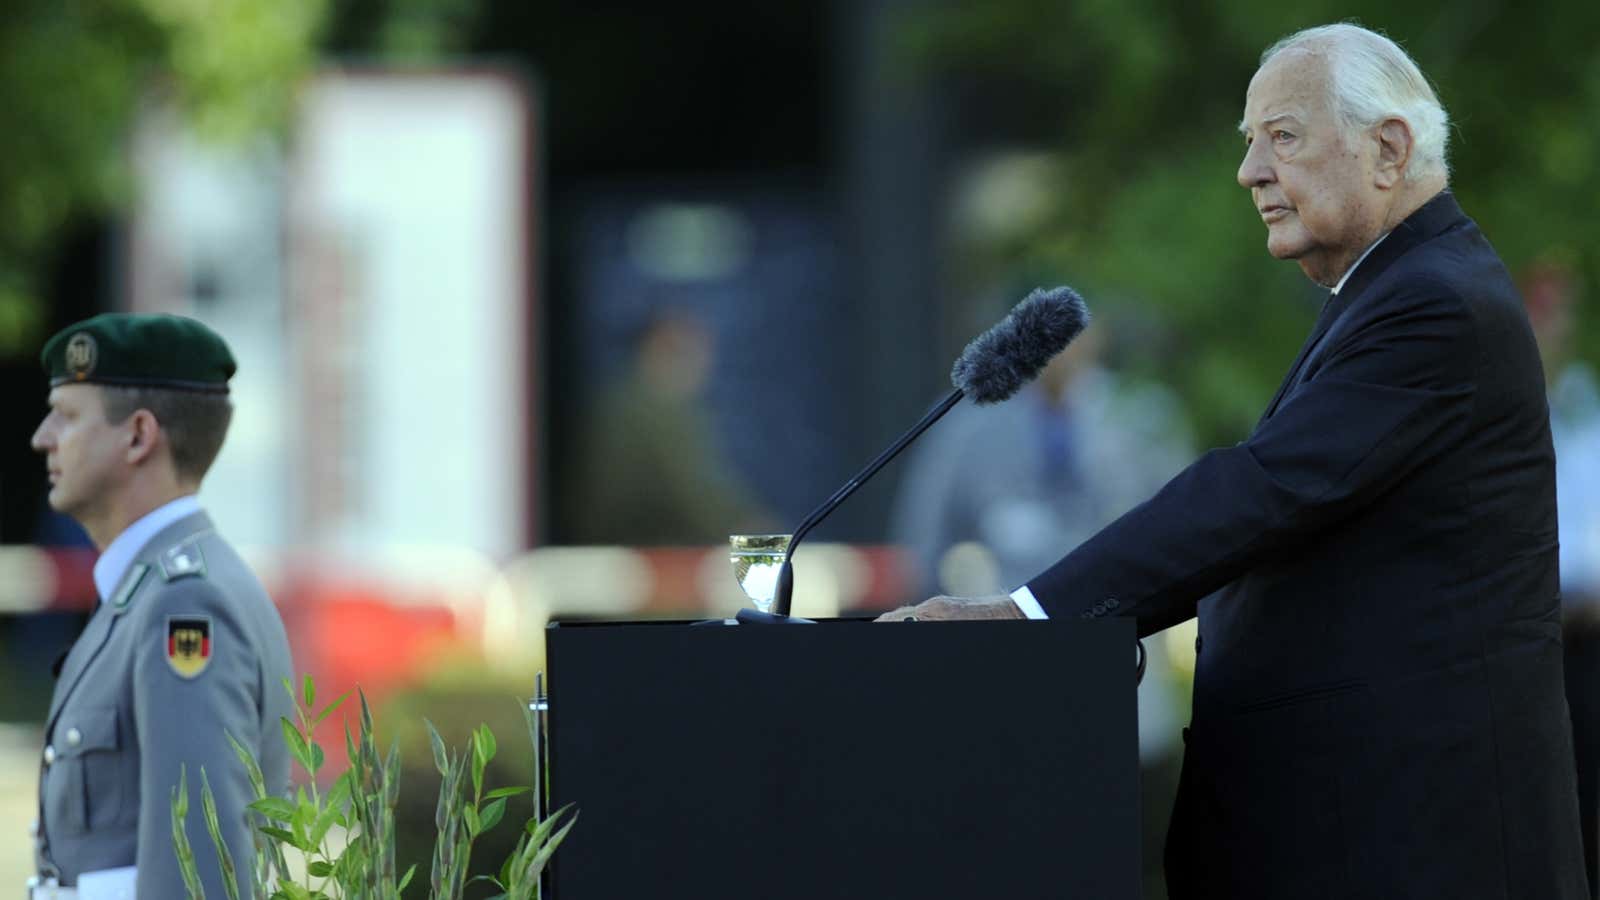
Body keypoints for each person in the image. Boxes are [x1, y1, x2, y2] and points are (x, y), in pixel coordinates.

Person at [881, 23, 1588, 899]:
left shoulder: (1436, 305)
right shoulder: (1398, 292)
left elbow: (1257, 492)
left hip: (1415, 847)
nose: (1251, 170)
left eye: (1281, 137)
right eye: (1250, 143)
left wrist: (1028, 618)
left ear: (1388, 148)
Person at [28, 314, 294, 899]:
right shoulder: (149, 591)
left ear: (139, 436)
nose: (42, 437)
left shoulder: (184, 603)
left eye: (68, 416)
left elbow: (198, 877)